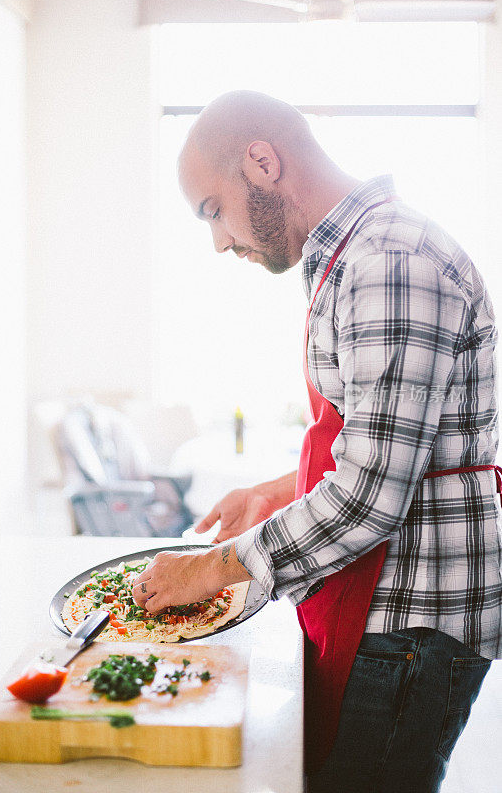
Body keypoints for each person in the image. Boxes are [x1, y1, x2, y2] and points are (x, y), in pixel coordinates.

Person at [132, 90, 502, 792]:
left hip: (410, 618)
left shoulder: (390, 261)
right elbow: (384, 442)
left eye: (212, 210)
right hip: (392, 605)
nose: (217, 241)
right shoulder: (361, 257)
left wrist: (210, 570)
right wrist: (277, 491)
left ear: (262, 163)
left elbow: (366, 499)